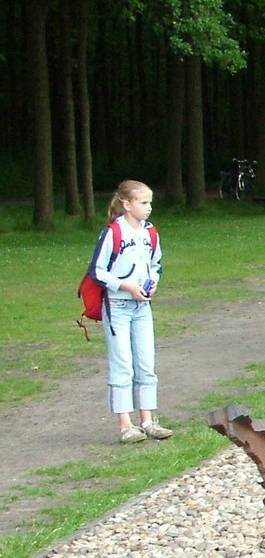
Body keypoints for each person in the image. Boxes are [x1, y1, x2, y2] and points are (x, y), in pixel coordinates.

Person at [93, 180, 172, 444]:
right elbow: (98, 271)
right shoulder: (113, 233)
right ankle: (125, 424)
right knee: (123, 364)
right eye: (143, 202)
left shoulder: (150, 232)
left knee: (146, 363)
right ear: (127, 205)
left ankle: (148, 420)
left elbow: (155, 263)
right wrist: (125, 285)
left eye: (150, 202)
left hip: (142, 306)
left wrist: (153, 282)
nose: (149, 208)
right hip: (117, 306)